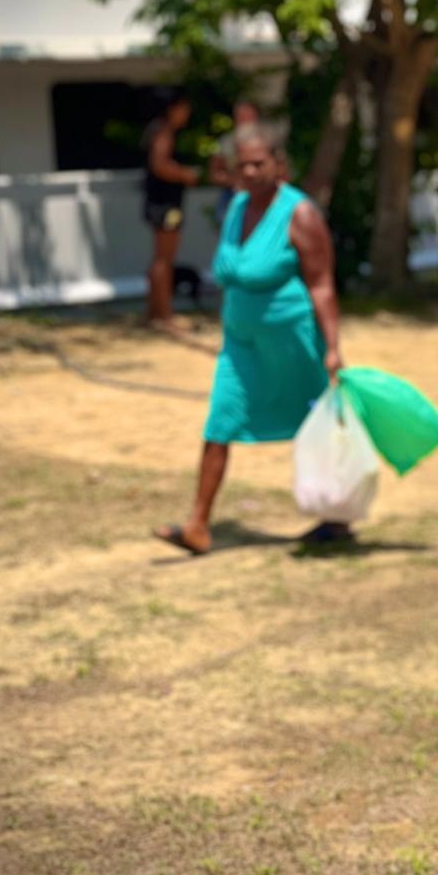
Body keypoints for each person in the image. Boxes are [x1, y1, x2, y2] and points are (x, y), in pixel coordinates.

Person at [155, 129, 345, 555]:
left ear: (279, 163)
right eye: (243, 164)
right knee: (220, 421)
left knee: (313, 427)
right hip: (240, 343)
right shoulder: (238, 207)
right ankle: (198, 525)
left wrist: (332, 347)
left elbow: (322, 285)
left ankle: (337, 517)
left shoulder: (300, 214)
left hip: (294, 342)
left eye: (260, 163)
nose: (252, 171)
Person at [142, 91, 199, 329]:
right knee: (165, 259)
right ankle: (165, 315)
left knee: (161, 258)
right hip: (166, 204)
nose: (187, 114)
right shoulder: (163, 132)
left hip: (160, 203)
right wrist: (185, 174)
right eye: (184, 108)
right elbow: (160, 165)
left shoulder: (158, 129)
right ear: (172, 108)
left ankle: (155, 312)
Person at [210, 99, 259, 225]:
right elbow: (214, 174)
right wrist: (234, 181)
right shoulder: (226, 142)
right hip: (232, 195)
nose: (244, 121)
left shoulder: (268, 141)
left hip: (260, 195)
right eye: (240, 117)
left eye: (248, 116)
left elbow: (281, 173)